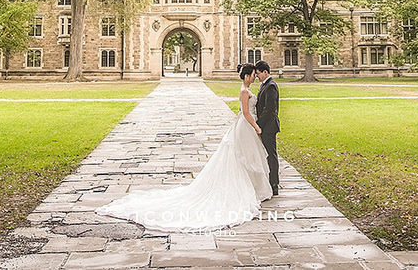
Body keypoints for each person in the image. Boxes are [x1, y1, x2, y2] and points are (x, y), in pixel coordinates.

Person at [96, 64, 272, 232]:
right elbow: (246, 112)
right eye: (253, 75)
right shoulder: (243, 91)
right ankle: (243, 188)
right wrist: (256, 127)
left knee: (246, 157)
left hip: (246, 126)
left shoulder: (247, 90)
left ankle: (252, 187)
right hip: (246, 126)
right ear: (247, 76)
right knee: (240, 156)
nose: (255, 78)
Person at [254, 60, 280, 196]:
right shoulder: (265, 85)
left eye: (258, 74)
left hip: (269, 126)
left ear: (265, 72)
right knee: (267, 155)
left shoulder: (271, 86)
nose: (257, 77)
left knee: (271, 155)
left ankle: (274, 184)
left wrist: (258, 124)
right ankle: (269, 182)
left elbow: (269, 109)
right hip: (265, 126)